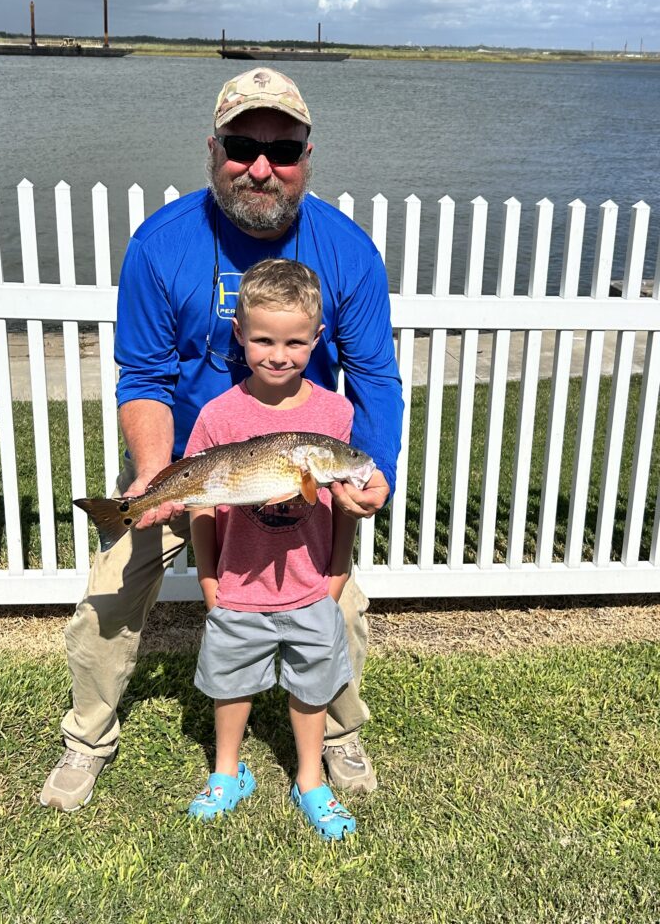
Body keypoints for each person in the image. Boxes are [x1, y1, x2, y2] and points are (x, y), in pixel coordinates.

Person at [40, 66, 404, 813]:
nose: (261, 166)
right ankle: (88, 736)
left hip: (298, 471)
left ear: (309, 156)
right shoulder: (160, 244)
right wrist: (152, 477)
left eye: (284, 149)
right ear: (213, 149)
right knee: (108, 597)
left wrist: (379, 473)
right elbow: (142, 375)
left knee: (342, 606)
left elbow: (375, 378)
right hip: (187, 463)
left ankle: (337, 732)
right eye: (242, 145)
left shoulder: (349, 252)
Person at [186, 258, 364, 840]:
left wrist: (336, 576)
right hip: (238, 584)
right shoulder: (218, 415)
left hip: (311, 583)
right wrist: (209, 581)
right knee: (230, 683)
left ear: (318, 338)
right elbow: (201, 505)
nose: (278, 353)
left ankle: (310, 778)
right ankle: (226, 772)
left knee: (312, 687)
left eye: (294, 341)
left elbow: (341, 500)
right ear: (238, 335)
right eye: (262, 339)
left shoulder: (335, 413)